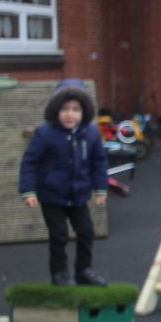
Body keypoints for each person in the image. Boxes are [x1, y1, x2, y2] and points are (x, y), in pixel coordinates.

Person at [19, 80, 109, 287]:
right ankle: (59, 273)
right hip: (52, 195)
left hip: (78, 195)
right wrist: (29, 190)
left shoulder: (91, 133)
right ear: (55, 110)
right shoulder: (46, 133)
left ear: (84, 111)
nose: (70, 115)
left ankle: (84, 270)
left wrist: (100, 187)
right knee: (59, 235)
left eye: (75, 110)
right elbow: (30, 162)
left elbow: (99, 160)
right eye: (65, 109)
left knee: (86, 232)